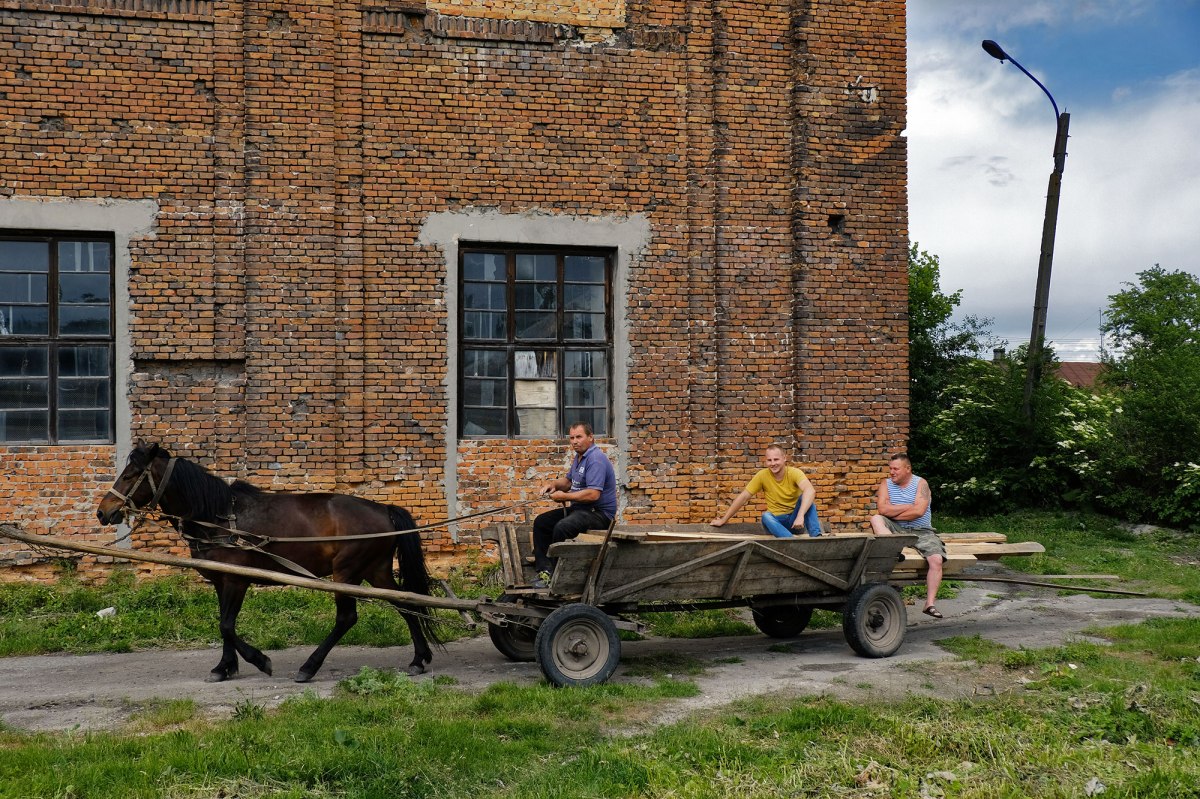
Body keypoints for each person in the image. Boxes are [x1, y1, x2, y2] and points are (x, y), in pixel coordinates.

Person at [531, 422, 618, 588]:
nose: (574, 441)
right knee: (541, 522)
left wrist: (564, 496)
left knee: (562, 527)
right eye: (571, 437)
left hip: (599, 514)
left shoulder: (595, 459)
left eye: (579, 437)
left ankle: (558, 577)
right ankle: (544, 572)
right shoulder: (579, 458)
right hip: (581, 510)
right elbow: (569, 481)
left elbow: (593, 494)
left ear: (590, 437)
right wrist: (554, 485)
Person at [870, 453, 947, 619]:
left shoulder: (921, 484)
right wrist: (908, 506)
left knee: (936, 560)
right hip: (896, 528)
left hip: (921, 530)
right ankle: (892, 549)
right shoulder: (886, 484)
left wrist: (894, 510)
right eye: (890, 468)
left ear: (907, 469)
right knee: (876, 518)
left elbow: (919, 512)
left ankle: (930, 604)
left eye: (895, 468)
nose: (891, 472)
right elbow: (883, 510)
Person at [710, 444, 822, 537]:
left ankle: (816, 537)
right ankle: (789, 540)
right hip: (775, 523)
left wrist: (800, 516)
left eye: (776, 459)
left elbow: (810, 491)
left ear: (784, 458)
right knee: (766, 516)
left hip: (795, 522)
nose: (773, 463)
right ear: (766, 461)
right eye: (769, 460)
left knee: (807, 499)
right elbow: (743, 497)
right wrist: (723, 520)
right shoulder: (762, 476)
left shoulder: (794, 473)